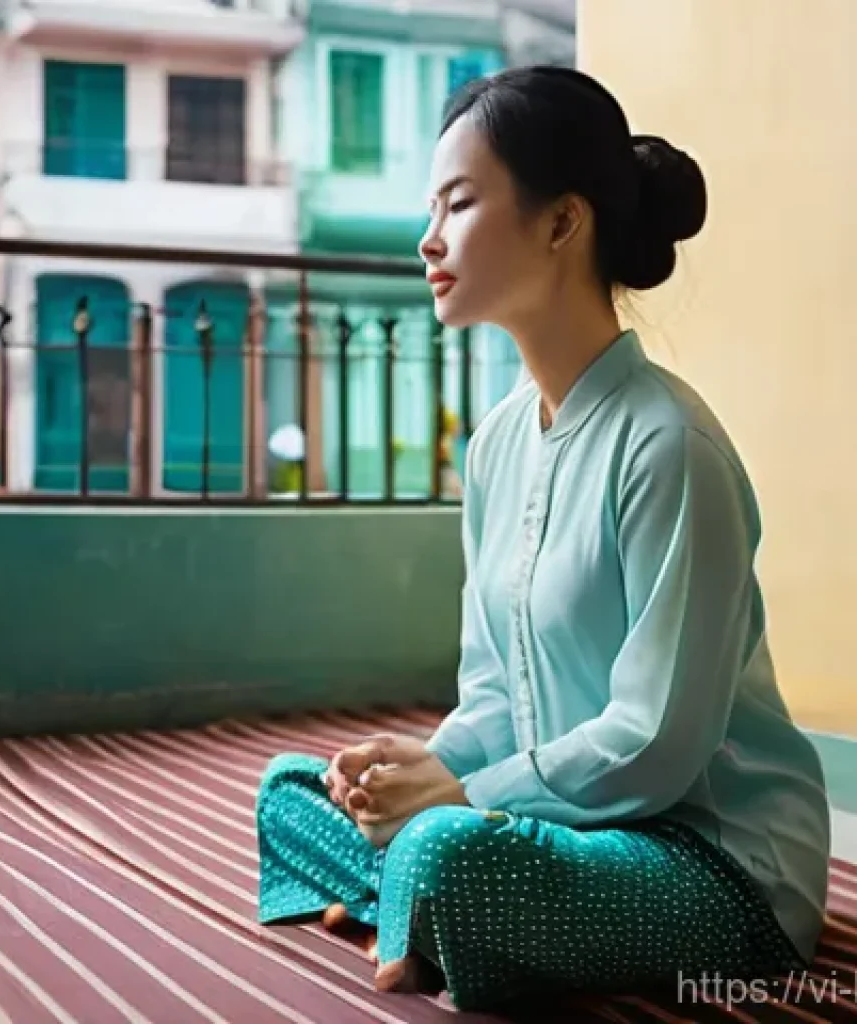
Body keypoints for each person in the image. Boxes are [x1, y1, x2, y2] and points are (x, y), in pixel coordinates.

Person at [254, 65, 830, 1013]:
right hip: (551, 828)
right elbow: (492, 689)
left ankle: (424, 898)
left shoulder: (669, 447)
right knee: (296, 789)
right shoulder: (497, 445)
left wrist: (457, 803)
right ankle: (427, 903)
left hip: (707, 863)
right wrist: (426, 769)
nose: (427, 239)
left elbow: (655, 745)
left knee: (450, 851)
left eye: (459, 204)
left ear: (563, 222)